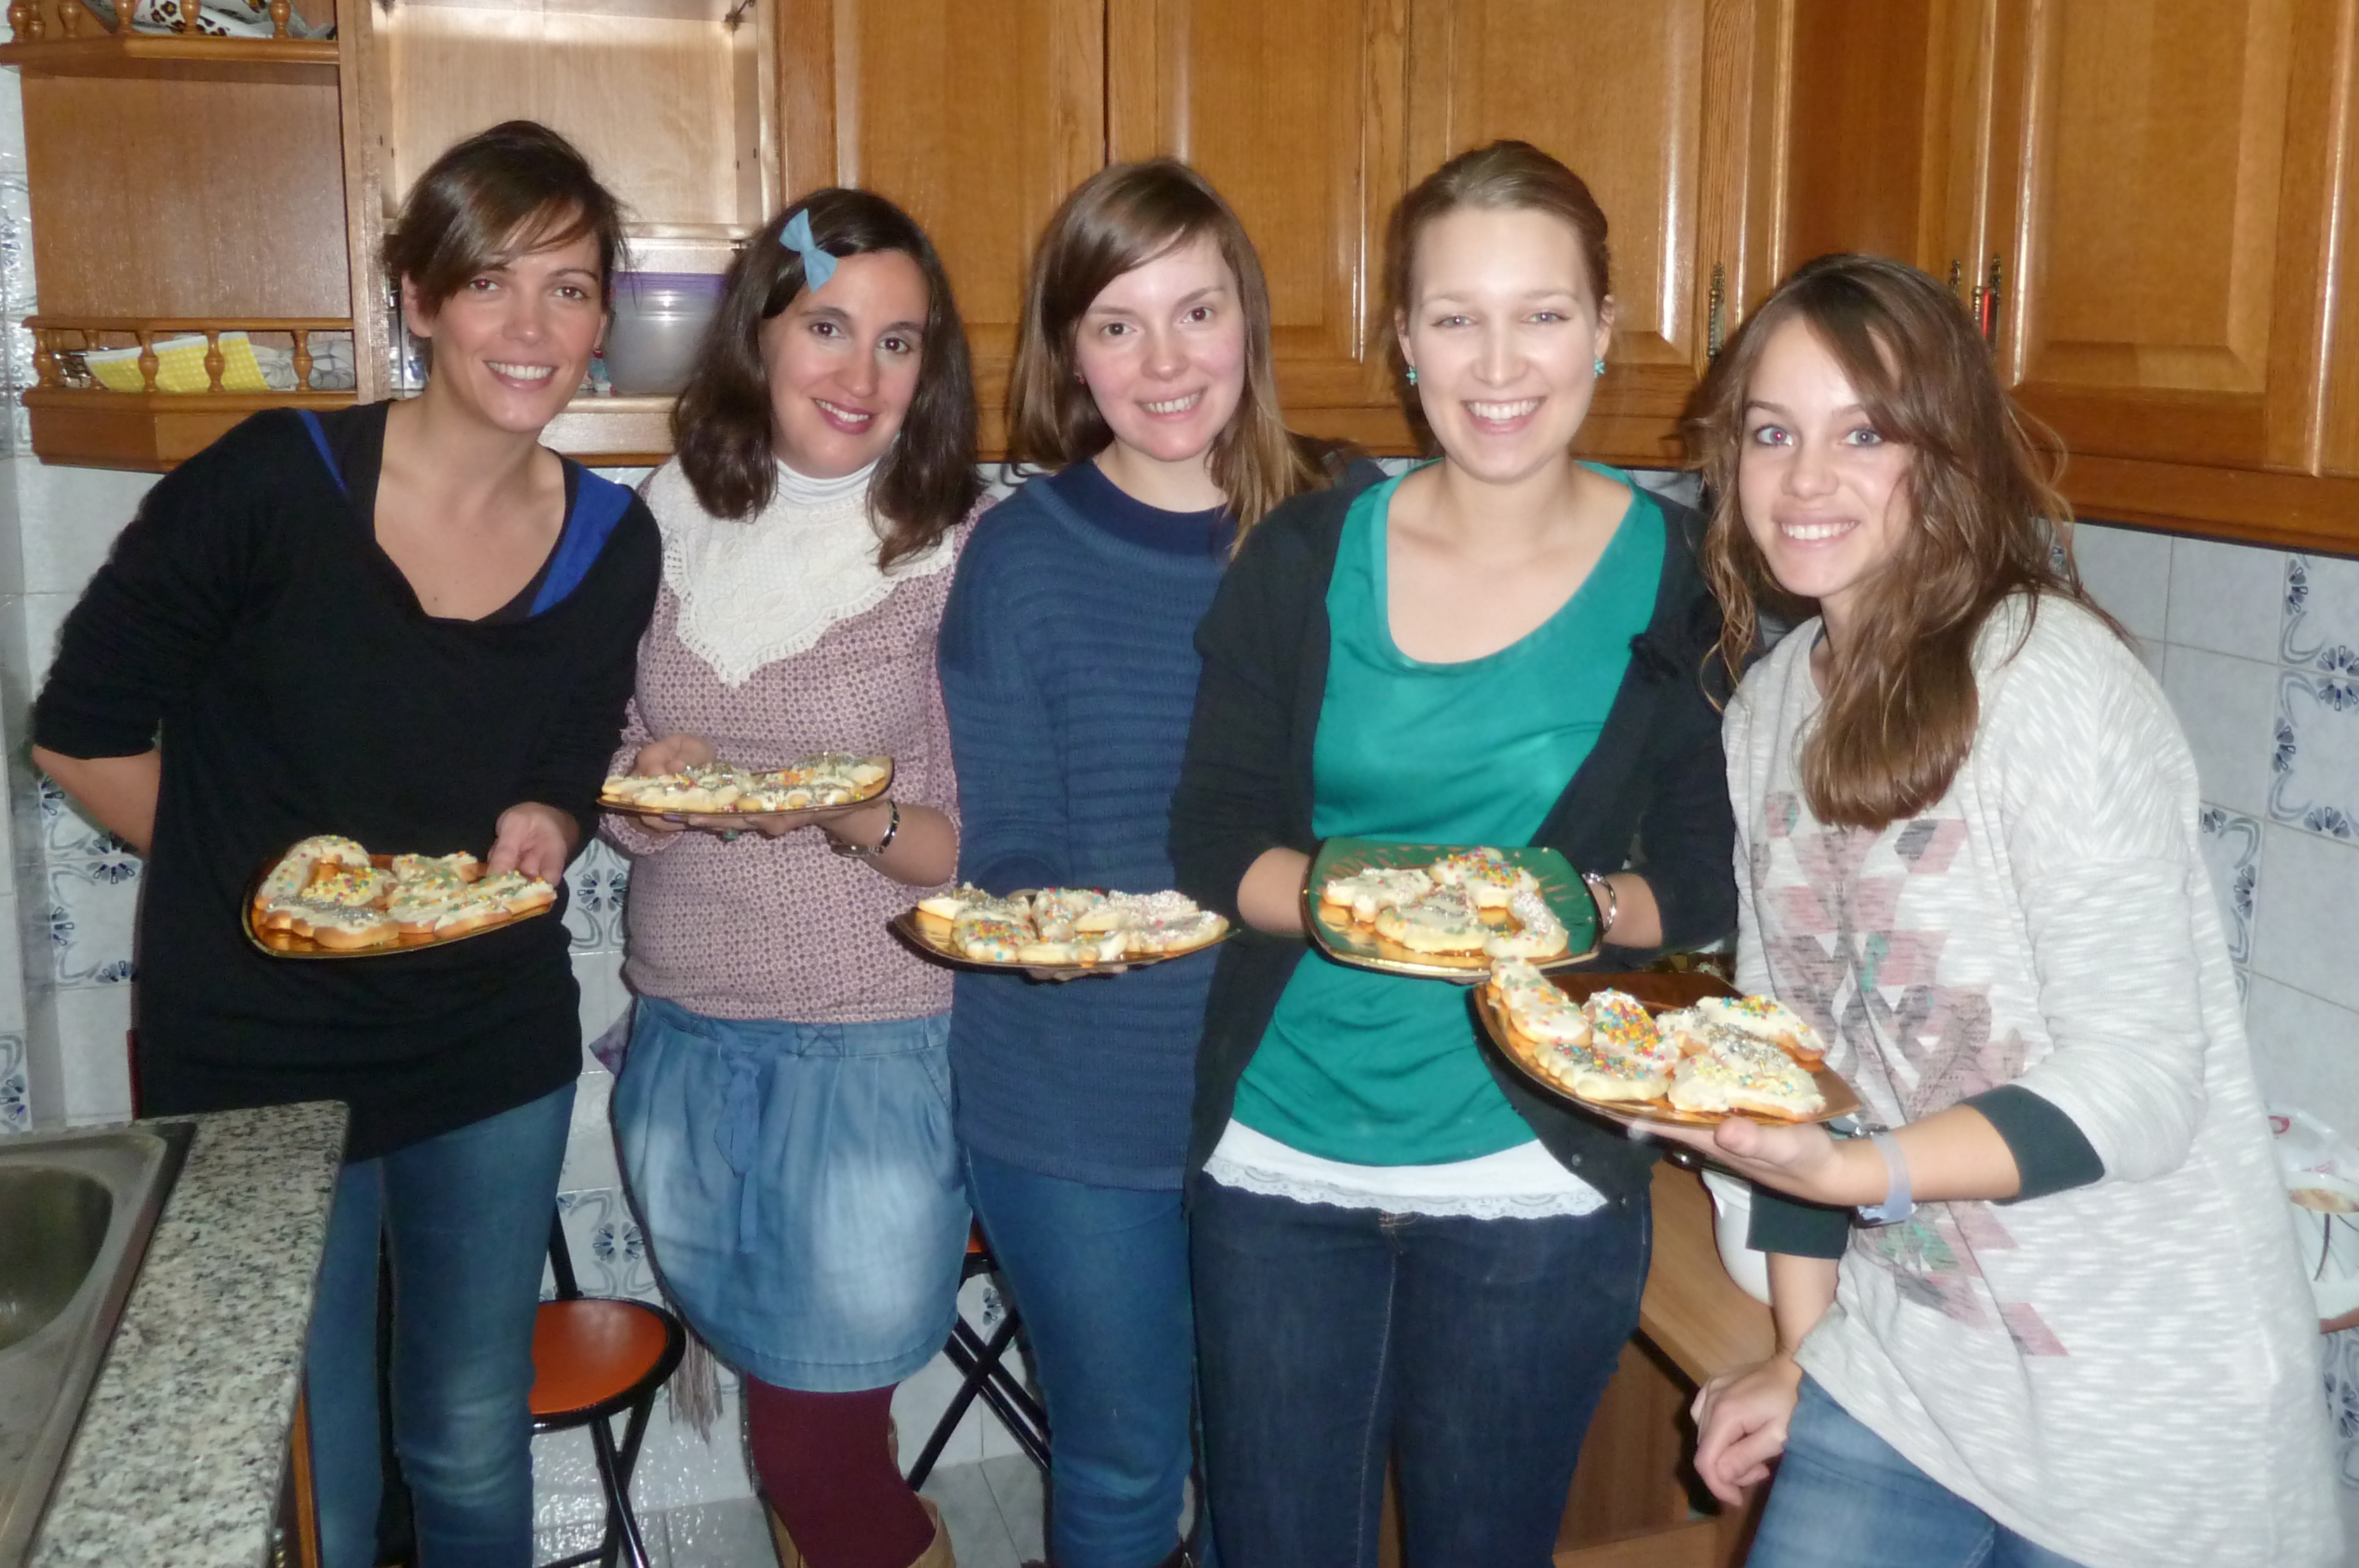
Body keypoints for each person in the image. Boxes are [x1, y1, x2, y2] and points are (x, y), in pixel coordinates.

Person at [30, 122, 661, 1568]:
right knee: (317, 1454)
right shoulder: (274, 484)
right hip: (255, 1057)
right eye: (491, 281)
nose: (530, 326)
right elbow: (80, 730)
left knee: (468, 1431)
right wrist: (276, 905)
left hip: (485, 1042)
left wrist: (555, 815)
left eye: (569, 289)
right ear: (418, 299)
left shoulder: (611, 541)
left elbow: (567, 757)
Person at [1658, 251, 2340, 1568]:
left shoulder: (2046, 681)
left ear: (1949, 454)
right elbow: (1796, 1069)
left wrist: (1860, 1170)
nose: (1806, 481)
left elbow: (2142, 1086)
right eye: (1772, 432)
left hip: (2149, 1414)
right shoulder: (1770, 707)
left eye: (1866, 433)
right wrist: (1808, 1355)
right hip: (1910, 1371)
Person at [1166, 140, 1735, 1567]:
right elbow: (1212, 835)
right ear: (1403, 339)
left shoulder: (1687, 575)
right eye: (1454, 315)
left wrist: (1570, 905)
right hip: (1281, 1151)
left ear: (1605, 330)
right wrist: (1375, 906)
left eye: (1542, 312)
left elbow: (1711, 882)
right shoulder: (1302, 553)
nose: (1499, 360)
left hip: (1532, 1178)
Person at [939, 158, 1376, 1568]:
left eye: (1196, 312)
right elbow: (1007, 849)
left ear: (1247, 318)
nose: (1166, 361)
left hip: (1308, 1085)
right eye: (1117, 324)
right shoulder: (1021, 554)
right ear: (1072, 351)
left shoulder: (1349, 524)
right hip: (1082, 1104)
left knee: (1285, 1481)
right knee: (1127, 1477)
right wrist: (1064, 919)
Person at [603, 187, 984, 1568]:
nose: (862, 373)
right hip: (686, 1033)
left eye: (900, 342)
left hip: (870, 1039)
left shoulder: (957, 548)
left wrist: (853, 815)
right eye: (828, 326)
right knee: (799, 1429)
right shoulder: (664, 514)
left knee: (816, 1447)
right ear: (754, 336)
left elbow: (973, 848)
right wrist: (659, 784)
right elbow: (620, 759)